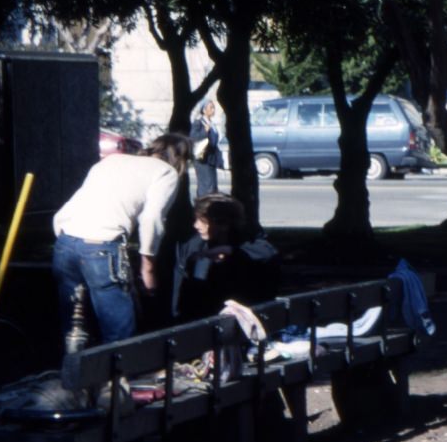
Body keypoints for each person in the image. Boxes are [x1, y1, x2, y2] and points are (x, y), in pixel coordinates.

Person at [52, 134, 191, 349]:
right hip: (102, 247)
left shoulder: (112, 160)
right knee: (118, 331)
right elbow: (151, 219)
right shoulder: (166, 172)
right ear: (182, 159)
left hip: (65, 241)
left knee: (75, 326)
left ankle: (76, 376)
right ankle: (115, 380)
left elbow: (72, 205)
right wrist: (148, 265)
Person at [172, 194, 279, 322]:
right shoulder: (194, 246)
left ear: (223, 223)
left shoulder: (247, 242)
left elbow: (267, 253)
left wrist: (232, 252)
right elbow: (181, 289)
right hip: (199, 317)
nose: (196, 225)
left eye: (201, 220)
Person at [189, 100, 225, 199]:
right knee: (205, 184)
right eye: (210, 108)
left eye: (213, 107)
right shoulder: (199, 122)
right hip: (202, 158)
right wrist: (205, 131)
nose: (213, 110)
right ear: (204, 110)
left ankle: (210, 205)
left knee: (213, 184)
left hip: (211, 158)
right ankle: (202, 204)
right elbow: (193, 137)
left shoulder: (212, 123)